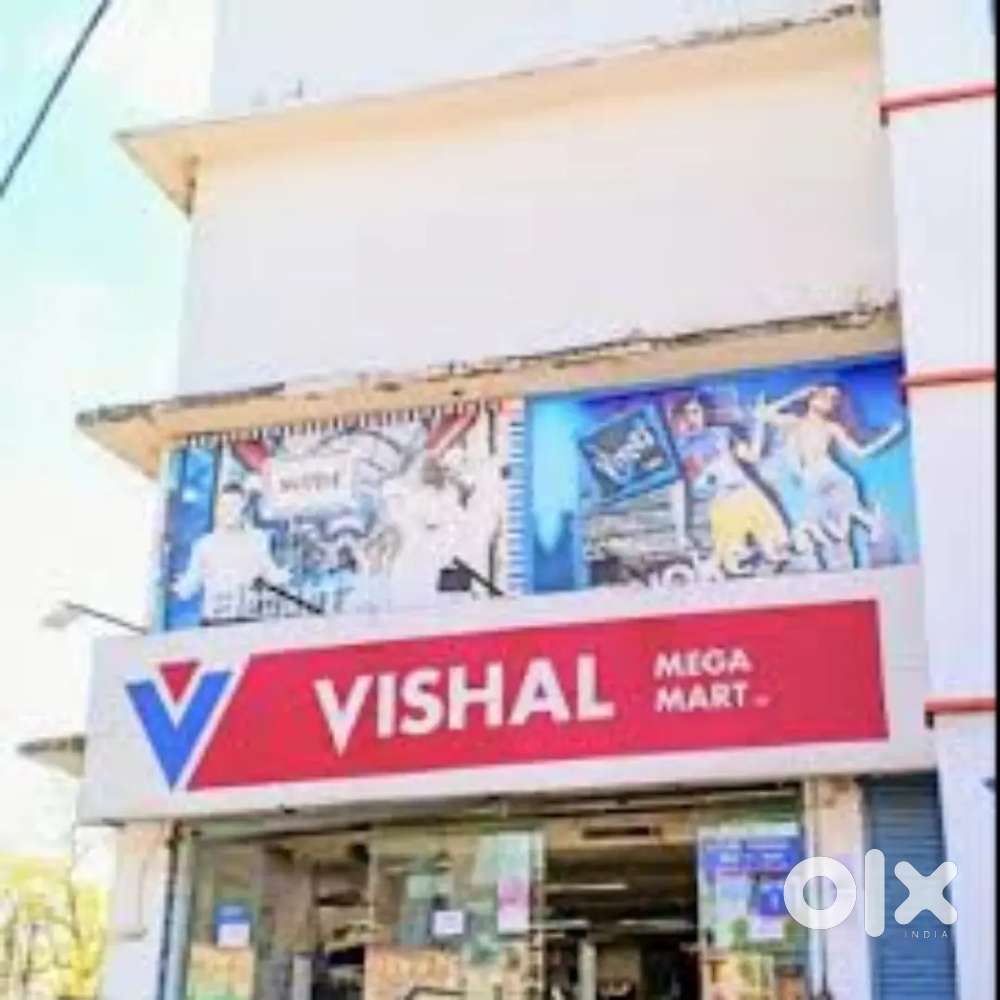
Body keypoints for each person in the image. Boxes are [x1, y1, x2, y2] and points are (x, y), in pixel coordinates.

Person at [756, 383, 904, 545]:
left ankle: (871, 524)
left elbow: (860, 453)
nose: (829, 401)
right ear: (812, 398)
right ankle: (867, 523)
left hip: (831, 473)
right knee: (821, 521)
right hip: (812, 477)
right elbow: (763, 414)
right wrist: (797, 395)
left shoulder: (831, 428)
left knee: (847, 510)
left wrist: (890, 435)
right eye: (825, 395)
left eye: (834, 399)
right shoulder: (795, 422)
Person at [669, 393, 789, 575]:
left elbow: (752, 455)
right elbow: (685, 489)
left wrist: (760, 422)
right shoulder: (681, 450)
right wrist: (682, 532)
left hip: (749, 495)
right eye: (686, 413)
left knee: (775, 550)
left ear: (704, 413)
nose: (692, 417)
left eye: (695, 411)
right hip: (724, 505)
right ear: (679, 418)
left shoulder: (722, 434)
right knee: (733, 562)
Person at [172, 482, 290, 623]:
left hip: (248, 619)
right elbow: (190, 584)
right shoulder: (204, 545)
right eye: (224, 506)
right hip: (214, 620)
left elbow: (269, 572)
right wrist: (179, 588)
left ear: (244, 508)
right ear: (218, 509)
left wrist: (283, 577)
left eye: (234, 505)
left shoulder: (258, 539)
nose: (228, 511)